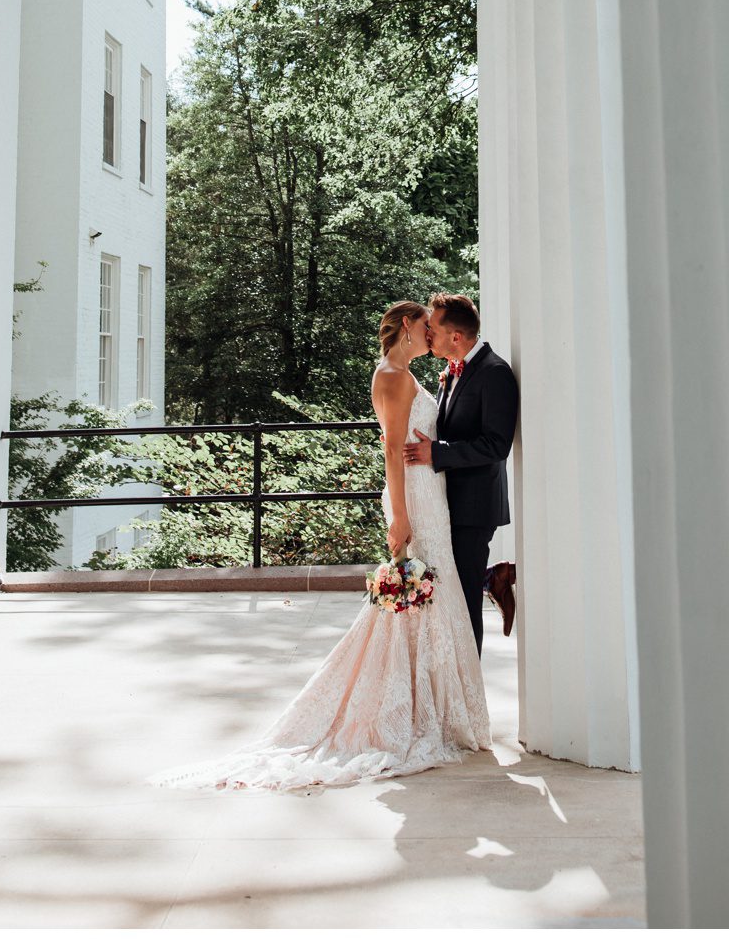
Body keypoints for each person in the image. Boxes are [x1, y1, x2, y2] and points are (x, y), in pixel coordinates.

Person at [148, 301, 491, 792]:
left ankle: (434, 705)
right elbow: (392, 450)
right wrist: (400, 516)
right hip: (413, 496)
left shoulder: (410, 374)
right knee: (419, 599)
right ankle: (413, 708)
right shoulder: (391, 376)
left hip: (431, 493)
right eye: (426, 325)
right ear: (408, 328)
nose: (432, 333)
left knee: (436, 598)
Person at [403, 292, 520, 654]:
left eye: (433, 329)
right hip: (443, 502)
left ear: (456, 337)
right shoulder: (451, 372)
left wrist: (435, 453)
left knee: (466, 602)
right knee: (448, 591)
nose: (428, 336)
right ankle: (494, 576)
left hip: (474, 506)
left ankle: (470, 696)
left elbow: (496, 446)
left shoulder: (495, 373)